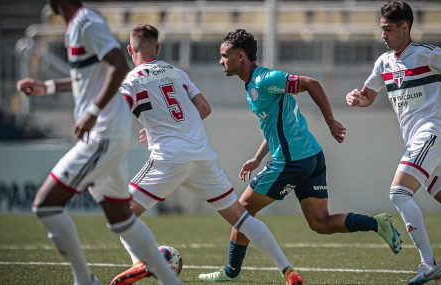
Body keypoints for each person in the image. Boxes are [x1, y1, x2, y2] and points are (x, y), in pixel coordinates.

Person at [198, 28, 403, 283]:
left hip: (291, 161)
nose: (221, 61)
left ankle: (231, 272)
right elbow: (274, 126)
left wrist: (330, 121)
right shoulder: (251, 85)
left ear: (240, 56)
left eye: (224, 55)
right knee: (320, 223)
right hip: (311, 157)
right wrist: (258, 157)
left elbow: (311, 83)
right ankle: (375, 224)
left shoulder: (264, 79)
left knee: (241, 211)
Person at [109, 24, 304, 285]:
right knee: (241, 217)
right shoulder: (177, 73)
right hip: (201, 155)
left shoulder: (132, 79)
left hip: (168, 157)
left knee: (120, 215)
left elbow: (119, 112)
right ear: (157, 48)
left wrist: (153, 128)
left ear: (130, 50)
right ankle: (288, 270)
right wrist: (175, 125)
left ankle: (140, 263)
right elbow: (203, 107)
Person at [16, 1, 181, 285]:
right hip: (107, 134)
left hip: (103, 133)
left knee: (46, 205)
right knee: (121, 219)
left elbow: (118, 64)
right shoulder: (76, 25)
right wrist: (49, 87)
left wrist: (93, 112)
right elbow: (91, 76)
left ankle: (84, 280)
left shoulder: (86, 21)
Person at [345, 1, 441, 284]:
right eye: (381, 29)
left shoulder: (427, 54)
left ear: (404, 27)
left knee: (399, 193)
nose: (383, 35)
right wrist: (357, 99)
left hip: (432, 133)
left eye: (387, 29)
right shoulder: (383, 62)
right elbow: (368, 94)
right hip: (418, 141)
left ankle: (428, 265)